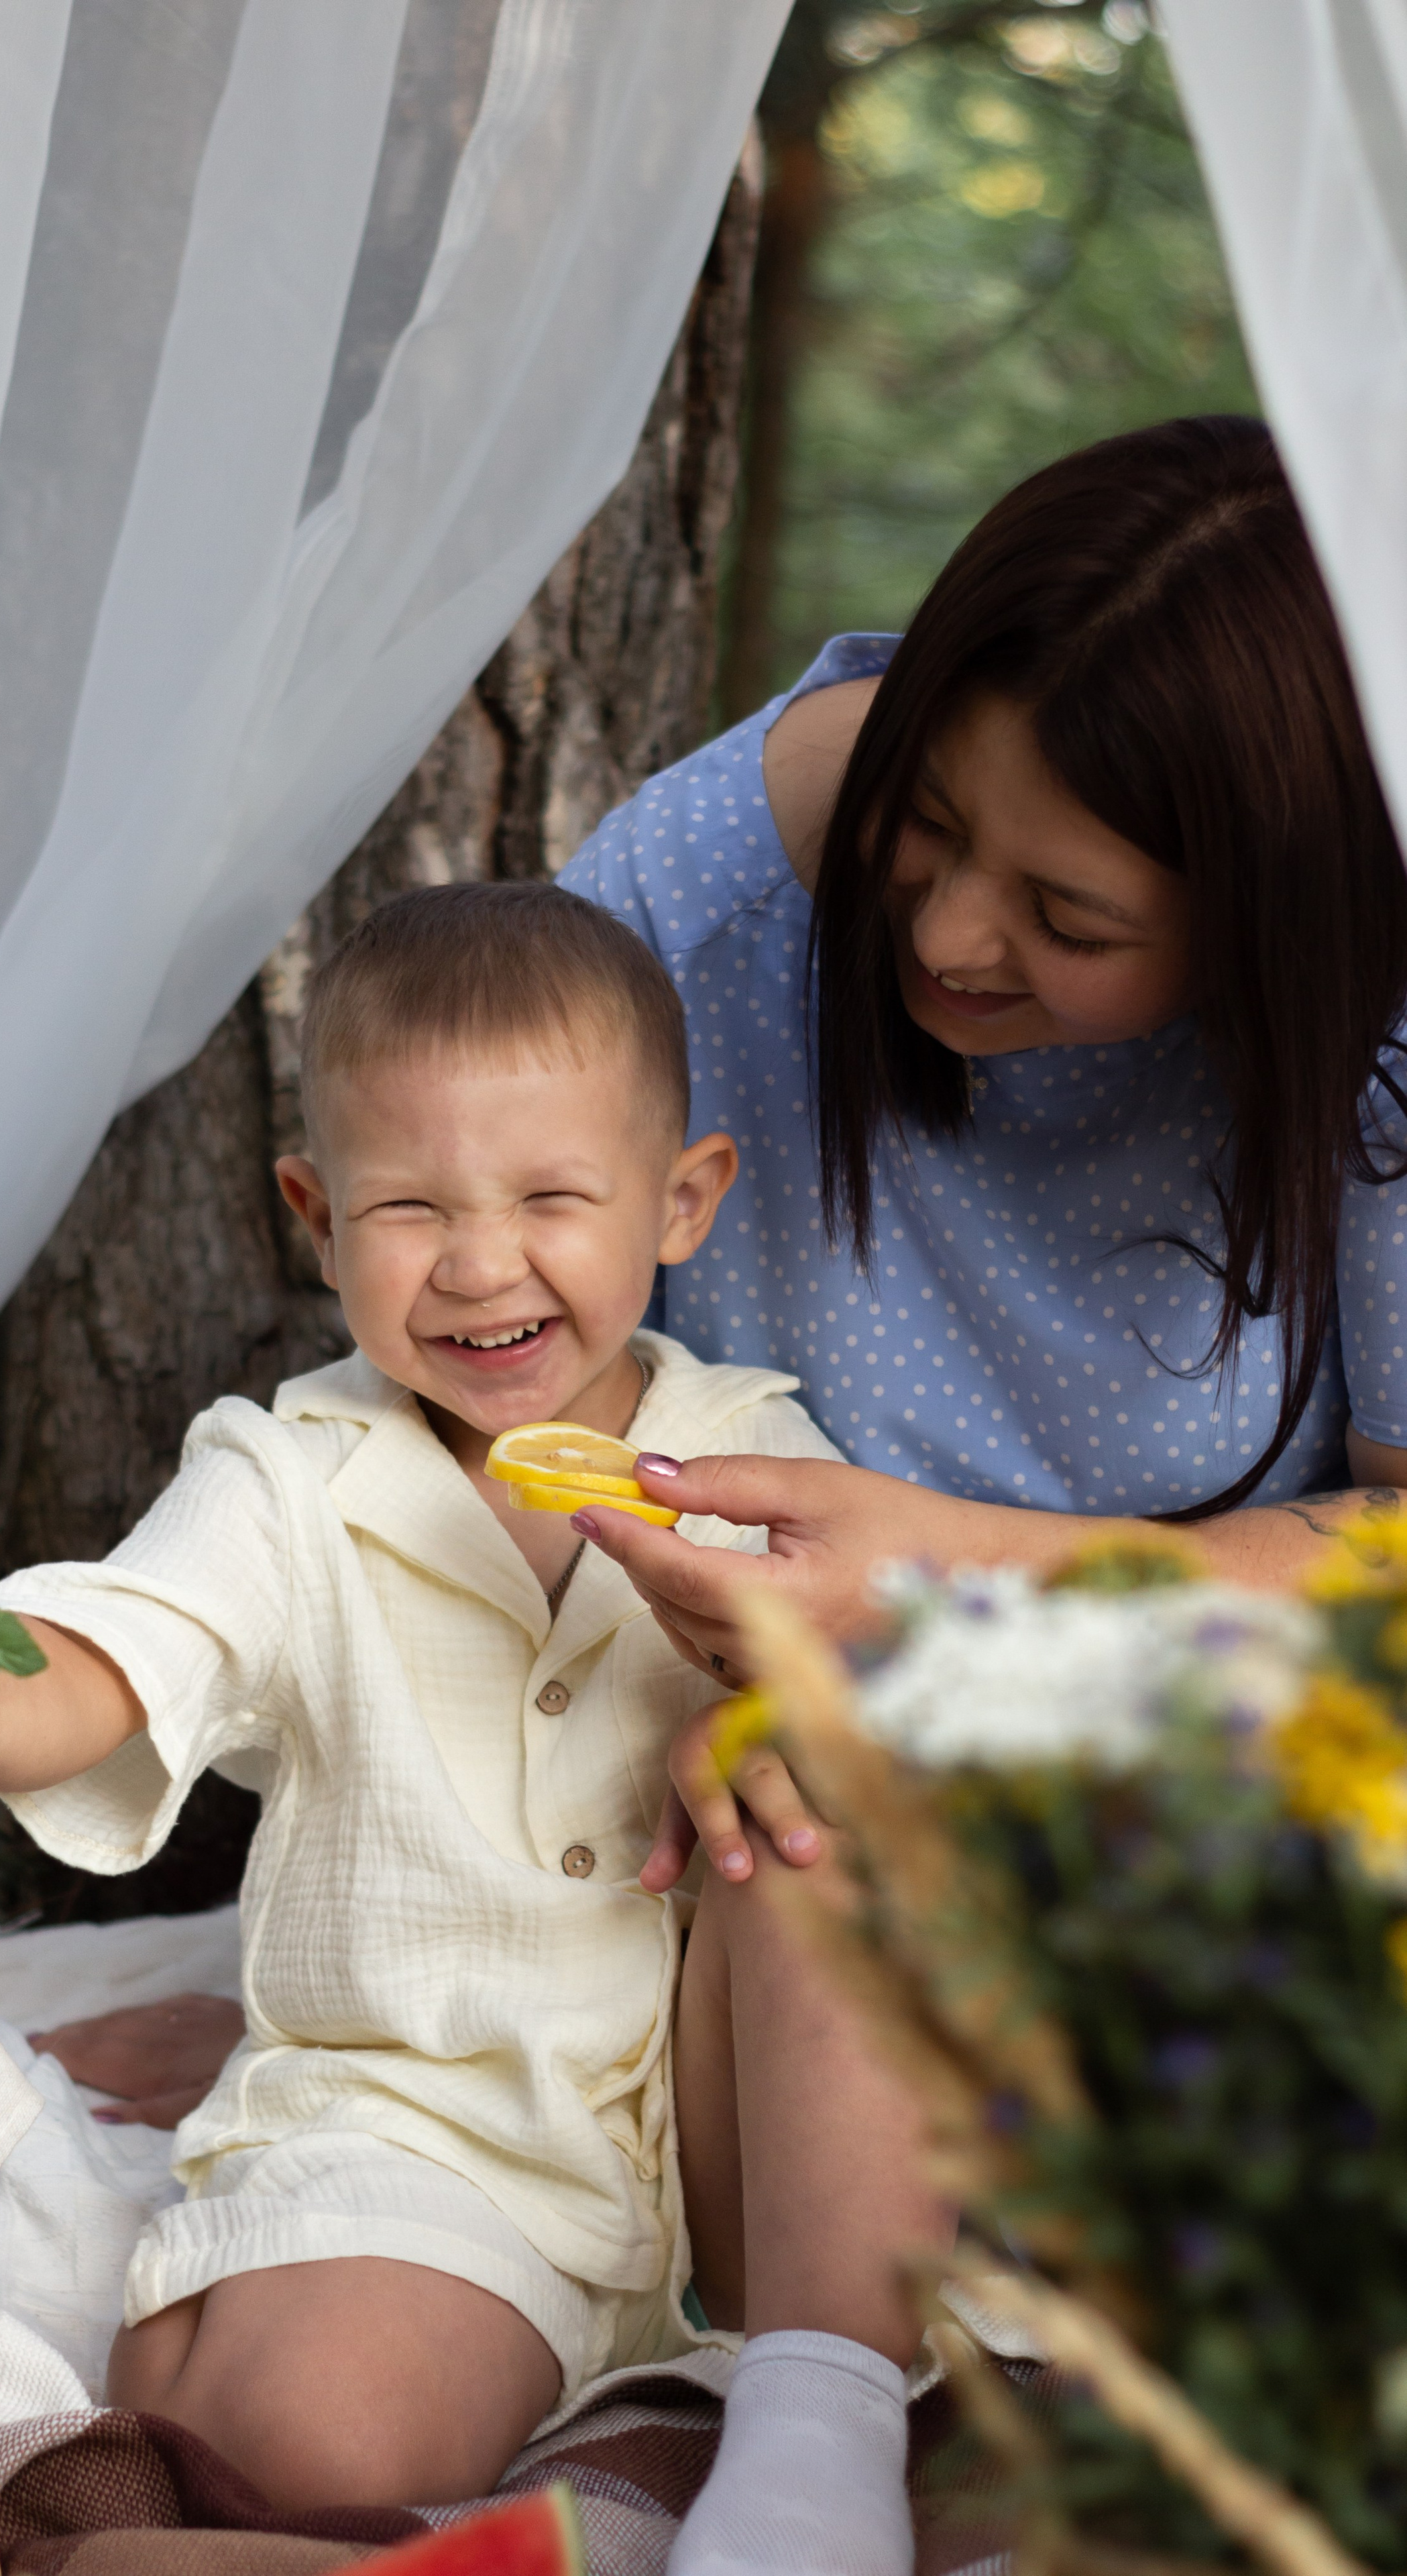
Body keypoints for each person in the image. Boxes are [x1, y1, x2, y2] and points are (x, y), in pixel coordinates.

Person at [0, 885, 933, 2565]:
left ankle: (823, 2428)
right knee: (285, 2437)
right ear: (315, 1217)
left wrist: (789, 1706)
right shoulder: (293, 1478)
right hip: (440, 2140)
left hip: (730, 2149)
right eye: (409, 1207)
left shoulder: (747, 1454)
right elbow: (117, 1656)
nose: (480, 1266)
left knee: (833, 1796)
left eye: (552, 1197)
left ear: (681, 1202)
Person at [555, 415, 1407, 1894]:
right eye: (922, 819)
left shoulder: (1380, 1036)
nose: (943, 936)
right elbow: (483, 1383)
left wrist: (962, 1583)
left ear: (1277, 934)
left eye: (1068, 920)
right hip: (736, 1760)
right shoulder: (690, 900)